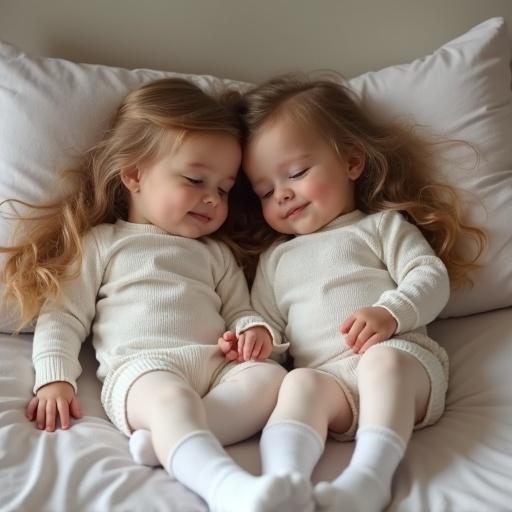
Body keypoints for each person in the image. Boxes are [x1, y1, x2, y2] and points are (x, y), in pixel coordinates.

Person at [0, 78, 301, 512]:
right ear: (134, 174)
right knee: (172, 400)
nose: (212, 199)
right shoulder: (103, 243)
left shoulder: (215, 253)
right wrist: (55, 377)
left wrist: (254, 332)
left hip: (215, 369)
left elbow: (242, 309)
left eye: (223, 189)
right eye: (196, 179)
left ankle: (168, 440)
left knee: (272, 379)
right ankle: (224, 486)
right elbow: (63, 316)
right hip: (143, 372)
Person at [217, 74, 486, 512]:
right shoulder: (275, 259)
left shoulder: (379, 227)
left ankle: (369, 479)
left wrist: (391, 313)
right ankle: (284, 483)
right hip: (331, 387)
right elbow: (266, 322)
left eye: (298, 173)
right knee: (298, 382)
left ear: (351, 162)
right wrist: (257, 339)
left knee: (382, 359)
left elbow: (428, 275)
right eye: (266, 191)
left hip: (404, 367)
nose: (283, 194)